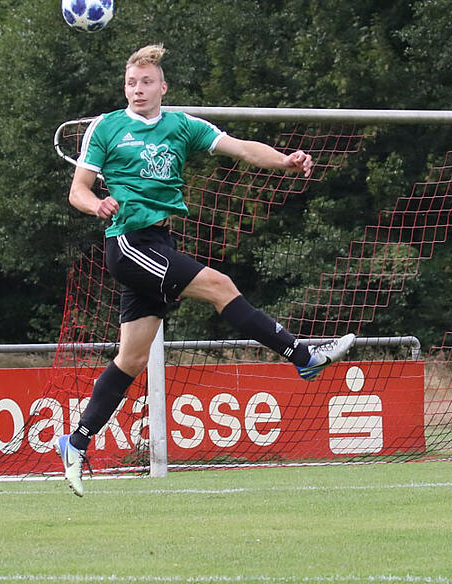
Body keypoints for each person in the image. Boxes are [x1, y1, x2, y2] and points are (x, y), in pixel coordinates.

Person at [56, 44, 355, 496]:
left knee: (132, 359)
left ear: (163, 87)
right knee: (220, 286)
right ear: (125, 88)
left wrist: (285, 160)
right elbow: (78, 190)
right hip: (128, 243)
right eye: (131, 83)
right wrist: (97, 203)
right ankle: (303, 357)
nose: (138, 90)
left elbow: (240, 149)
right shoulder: (107, 128)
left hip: (158, 242)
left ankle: (75, 442)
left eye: (146, 82)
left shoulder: (181, 126)